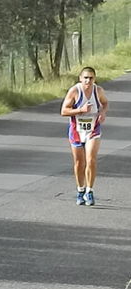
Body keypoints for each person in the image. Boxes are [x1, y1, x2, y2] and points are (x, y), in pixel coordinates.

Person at [61, 66, 108, 206]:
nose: (88, 80)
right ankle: (80, 190)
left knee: (91, 160)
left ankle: (89, 191)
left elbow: (105, 103)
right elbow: (64, 111)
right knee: (79, 163)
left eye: (91, 78)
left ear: (95, 79)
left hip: (93, 130)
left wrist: (103, 112)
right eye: (85, 77)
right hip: (76, 130)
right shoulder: (75, 91)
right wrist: (80, 110)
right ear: (80, 78)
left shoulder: (98, 91)